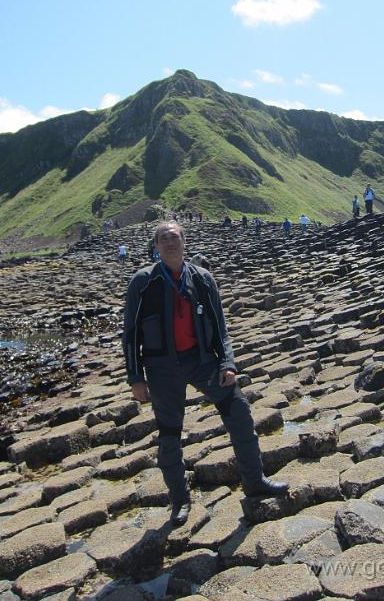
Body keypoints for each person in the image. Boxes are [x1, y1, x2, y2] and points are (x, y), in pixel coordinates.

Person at [122, 221, 288, 526]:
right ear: (155, 246)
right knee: (170, 434)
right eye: (163, 239)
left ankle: (254, 481)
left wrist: (227, 363)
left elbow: (220, 326)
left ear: (184, 242)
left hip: (202, 360)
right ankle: (180, 501)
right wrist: (136, 377)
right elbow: (131, 333)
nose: (169, 242)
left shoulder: (202, 278)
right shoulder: (142, 282)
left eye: (174, 237)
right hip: (161, 367)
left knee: (239, 411)